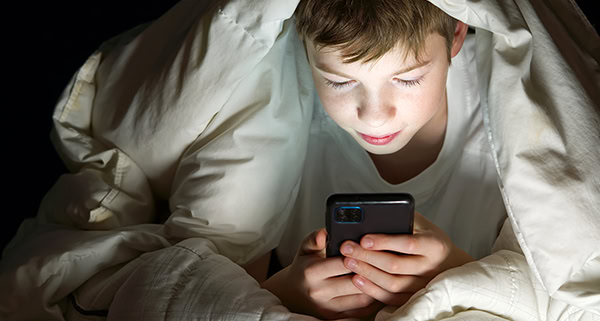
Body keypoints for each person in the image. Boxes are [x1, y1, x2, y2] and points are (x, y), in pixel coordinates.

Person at [257, 1, 506, 319]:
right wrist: (285, 292)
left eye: (407, 79)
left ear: (456, 33)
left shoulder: (504, 108)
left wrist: (458, 274)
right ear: (303, 47)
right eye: (340, 81)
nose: (374, 119)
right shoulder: (277, 111)